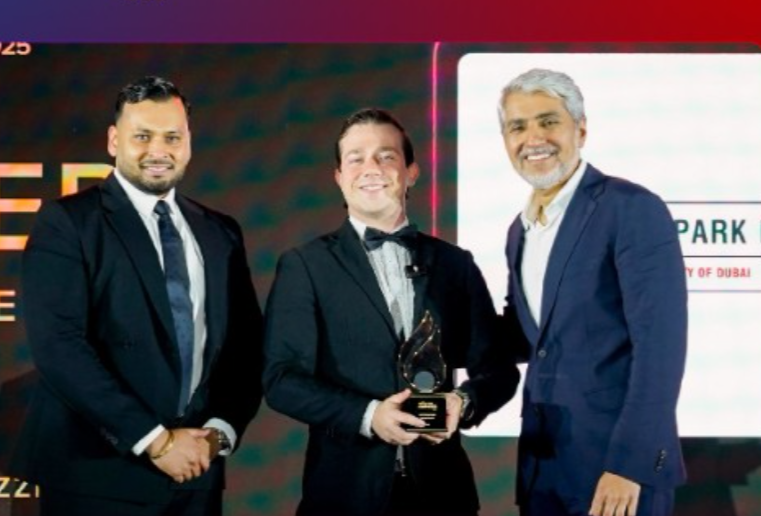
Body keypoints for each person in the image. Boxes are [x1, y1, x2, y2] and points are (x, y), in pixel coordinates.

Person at [11, 76, 263, 516]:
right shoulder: (69, 222)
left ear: (188, 143)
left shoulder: (219, 231)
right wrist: (156, 441)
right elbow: (59, 346)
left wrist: (218, 433)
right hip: (96, 477)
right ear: (114, 140)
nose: (158, 150)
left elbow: (244, 347)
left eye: (172, 137)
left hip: (195, 475)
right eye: (142, 136)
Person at [263, 108, 519, 516]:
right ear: (339, 176)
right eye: (356, 158)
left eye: (386, 156)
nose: (371, 168)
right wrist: (368, 416)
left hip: (442, 494)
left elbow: (498, 369)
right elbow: (281, 380)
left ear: (411, 172)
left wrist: (463, 402)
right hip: (345, 495)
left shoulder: (455, 265)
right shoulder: (305, 266)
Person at [498, 68, 688, 516]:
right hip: (544, 469)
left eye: (548, 121)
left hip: (616, 472)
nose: (533, 138)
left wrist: (630, 464)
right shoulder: (518, 231)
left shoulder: (630, 208)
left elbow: (660, 349)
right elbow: (528, 339)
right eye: (518, 127)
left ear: (580, 129)